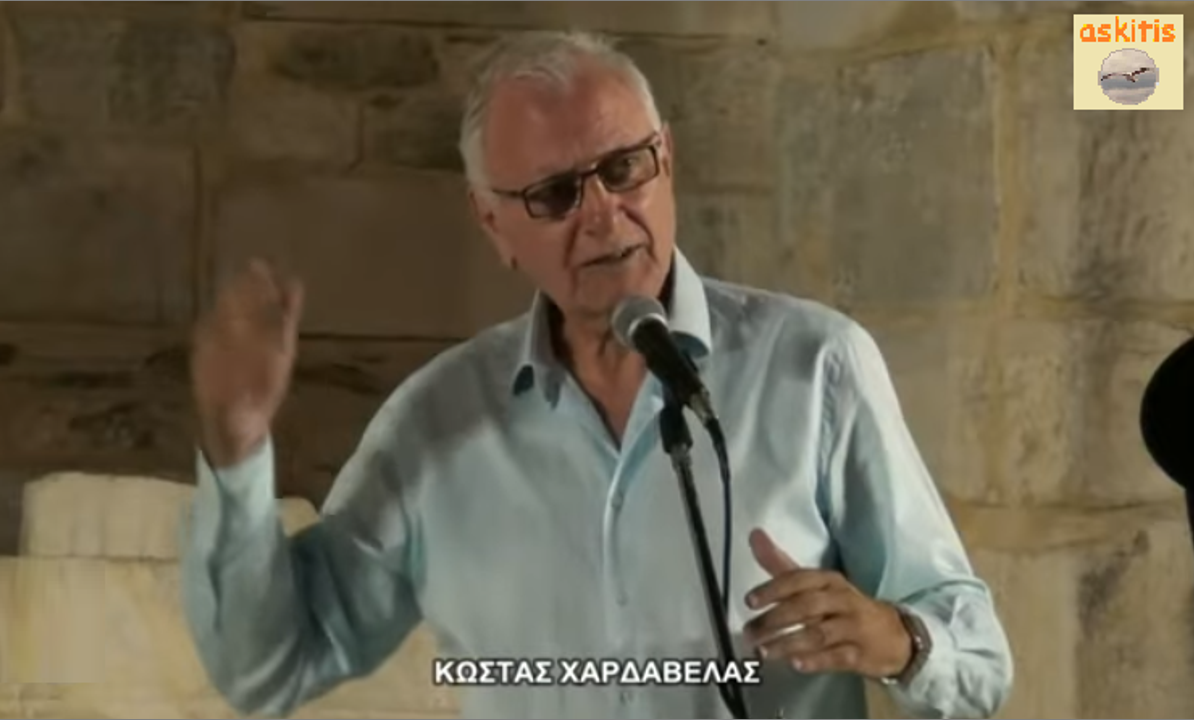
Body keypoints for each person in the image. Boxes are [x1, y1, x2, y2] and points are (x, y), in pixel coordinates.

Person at [180, 29, 1013, 719]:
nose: (605, 215)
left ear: (667, 159)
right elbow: (270, 667)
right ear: (493, 223)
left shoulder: (817, 366)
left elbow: (978, 660)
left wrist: (898, 640)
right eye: (554, 195)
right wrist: (235, 445)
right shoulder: (436, 423)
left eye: (624, 169)